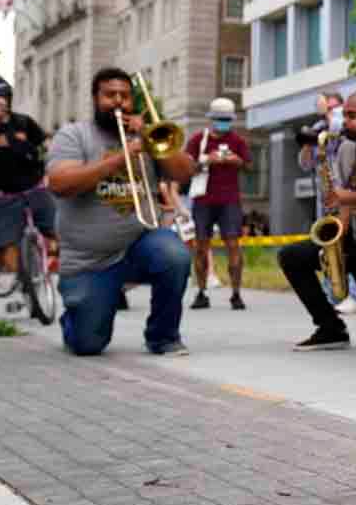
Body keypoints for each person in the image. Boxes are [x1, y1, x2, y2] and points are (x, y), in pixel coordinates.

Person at [45, 67, 196, 356]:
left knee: (174, 255)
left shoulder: (146, 138)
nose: (117, 102)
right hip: (90, 260)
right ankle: (76, 317)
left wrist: (151, 138)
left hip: (138, 245)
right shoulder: (74, 135)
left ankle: (163, 337)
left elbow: (185, 172)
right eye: (109, 95)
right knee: (88, 345)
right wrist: (122, 157)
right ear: (94, 99)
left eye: (124, 97)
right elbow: (61, 184)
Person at [279, 91, 356, 351]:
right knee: (291, 256)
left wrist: (354, 199)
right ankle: (330, 327)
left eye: (352, 116)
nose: (344, 122)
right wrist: (339, 232)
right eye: (344, 115)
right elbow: (347, 194)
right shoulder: (347, 147)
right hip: (353, 235)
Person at [298, 91, 356, 315]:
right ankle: (333, 294)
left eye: (334, 108)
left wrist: (331, 119)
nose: (331, 112)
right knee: (326, 246)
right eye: (328, 108)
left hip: (346, 192)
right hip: (325, 195)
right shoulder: (318, 128)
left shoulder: (346, 128)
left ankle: (355, 294)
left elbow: (341, 133)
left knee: (351, 242)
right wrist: (308, 146)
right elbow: (305, 165)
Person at [0, 75, 57, 322]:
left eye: (2, 98)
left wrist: (50, 161)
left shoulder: (23, 122)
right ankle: (21, 285)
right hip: (5, 195)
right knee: (8, 244)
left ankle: (47, 269)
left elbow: (46, 143)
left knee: (54, 231)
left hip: (35, 187)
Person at [185, 98, 251, 311]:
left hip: (230, 200)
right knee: (201, 247)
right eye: (220, 119)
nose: (223, 123)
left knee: (233, 244)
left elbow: (249, 166)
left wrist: (236, 161)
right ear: (211, 119)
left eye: (227, 120)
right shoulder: (198, 140)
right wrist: (206, 160)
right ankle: (202, 292)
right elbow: (185, 168)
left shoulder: (237, 140)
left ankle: (236, 293)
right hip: (203, 199)